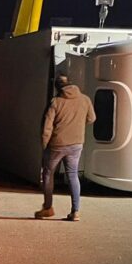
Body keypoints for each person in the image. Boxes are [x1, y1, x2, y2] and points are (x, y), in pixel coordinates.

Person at [35, 72, 95, 222]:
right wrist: (77, 124)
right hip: (76, 144)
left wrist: (44, 145)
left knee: (48, 175)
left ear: (57, 87)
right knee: (73, 175)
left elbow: (47, 128)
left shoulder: (56, 102)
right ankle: (75, 211)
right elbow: (92, 118)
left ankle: (48, 208)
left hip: (56, 145)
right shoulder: (85, 99)